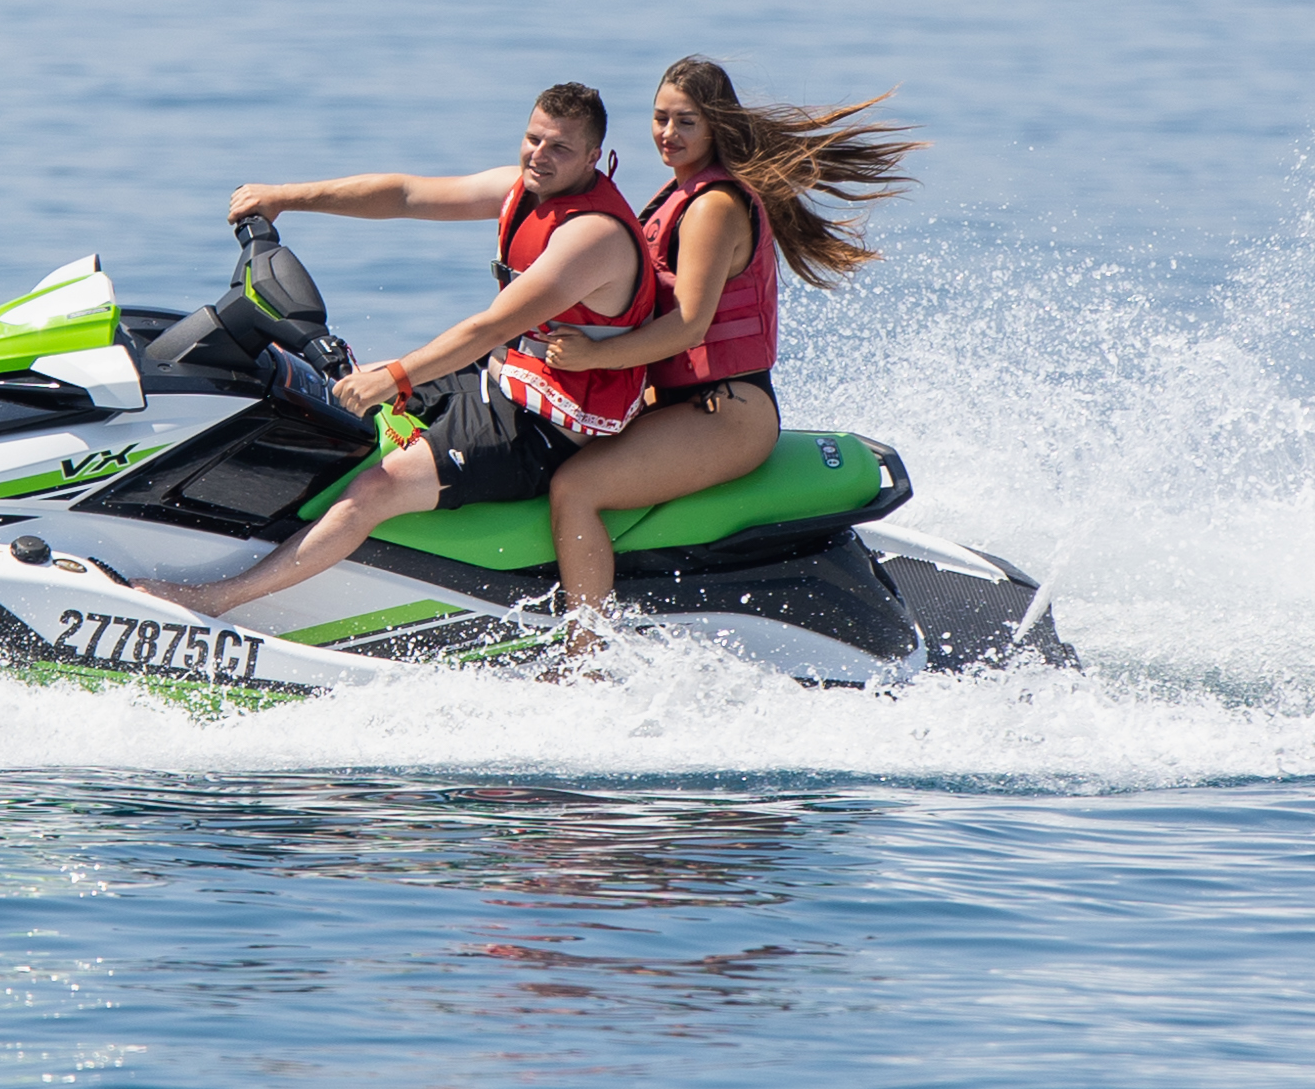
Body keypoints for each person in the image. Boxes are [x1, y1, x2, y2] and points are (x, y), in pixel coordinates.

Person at [134, 83, 664, 625]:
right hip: (502, 379)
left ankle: (215, 600)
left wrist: (395, 376)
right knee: (332, 393)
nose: (539, 155)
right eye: (533, 139)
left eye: (560, 148)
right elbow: (406, 195)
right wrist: (285, 196)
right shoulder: (524, 188)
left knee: (376, 487)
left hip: (546, 428)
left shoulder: (592, 236)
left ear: (593, 157)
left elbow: (488, 327)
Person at [534, 58, 917, 648]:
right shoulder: (676, 192)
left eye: (686, 121)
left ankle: (586, 657)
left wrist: (590, 358)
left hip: (725, 413)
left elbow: (688, 328)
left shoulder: (712, 206)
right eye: (660, 118)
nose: (668, 133)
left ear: (716, 125)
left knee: (576, 489)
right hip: (681, 404)